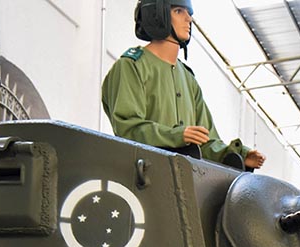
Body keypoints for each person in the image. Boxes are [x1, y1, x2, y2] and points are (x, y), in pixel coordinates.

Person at [102, 0, 266, 170]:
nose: (189, 19)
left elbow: (206, 140)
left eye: (190, 13)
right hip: (142, 176)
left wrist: (238, 154)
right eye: (179, 11)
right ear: (157, 15)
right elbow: (127, 128)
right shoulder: (131, 66)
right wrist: (177, 136)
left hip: (184, 178)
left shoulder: (188, 78)